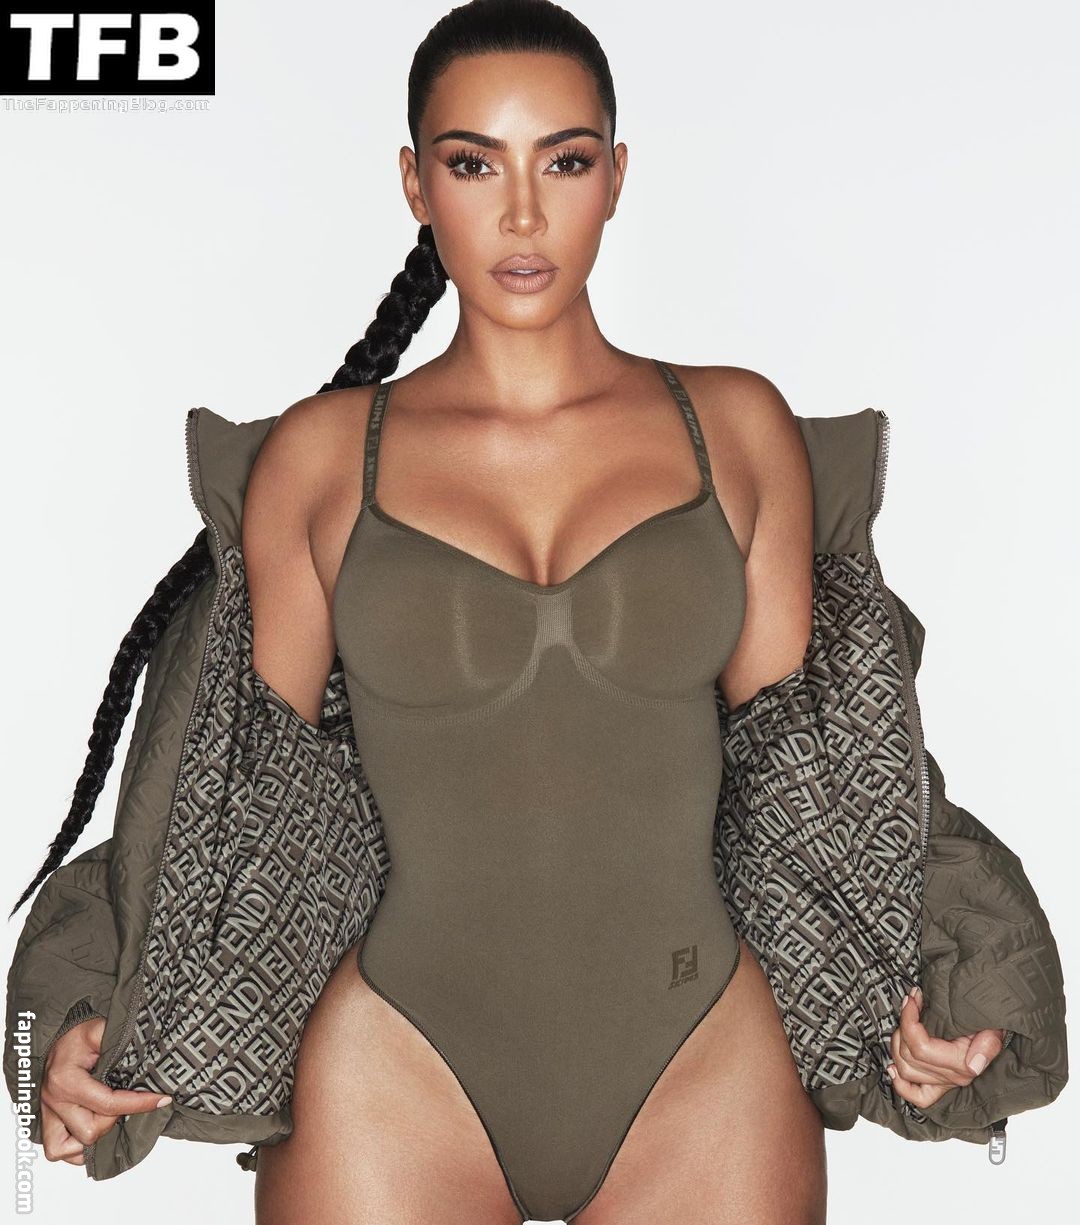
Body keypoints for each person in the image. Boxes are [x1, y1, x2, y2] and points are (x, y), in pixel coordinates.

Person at [17, 2, 1061, 1222]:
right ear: (416, 184)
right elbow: (224, 797)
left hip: (704, 1067)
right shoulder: (319, 458)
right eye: (474, 165)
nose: (522, 215)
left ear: (615, 176)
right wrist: (68, 1011)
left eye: (563, 162)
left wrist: (954, 988)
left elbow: (828, 789)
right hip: (389, 1070)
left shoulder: (736, 430)